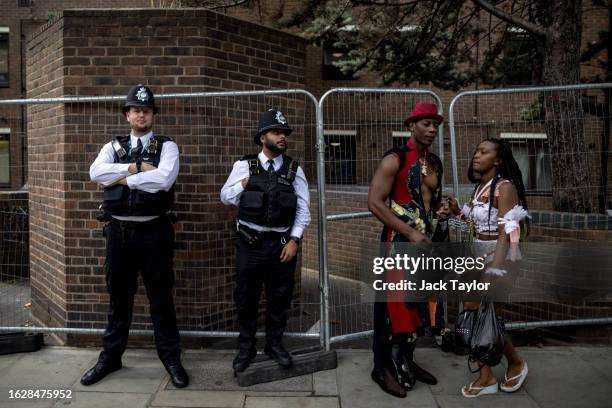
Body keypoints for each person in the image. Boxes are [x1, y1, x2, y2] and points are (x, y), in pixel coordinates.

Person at [82, 85, 188, 388]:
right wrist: (135, 167)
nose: (141, 113)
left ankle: (171, 359)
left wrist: (120, 178)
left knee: (161, 299)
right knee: (119, 298)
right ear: (127, 115)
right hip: (119, 233)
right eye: (135, 109)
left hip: (154, 232)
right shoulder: (112, 147)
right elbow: (95, 174)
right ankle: (110, 358)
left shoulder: (167, 147)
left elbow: (164, 180)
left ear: (153, 114)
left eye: (146, 109)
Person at [367, 102, 450, 398]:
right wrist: (409, 231)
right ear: (411, 126)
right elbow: (374, 202)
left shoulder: (436, 162)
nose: (431, 129)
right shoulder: (395, 159)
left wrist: (442, 210)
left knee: (414, 306)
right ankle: (382, 367)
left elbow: (429, 203)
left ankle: (407, 361)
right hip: (398, 243)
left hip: (425, 245)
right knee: (391, 307)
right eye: (426, 124)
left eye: (435, 125)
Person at [220, 109, 311, 373]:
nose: (282, 137)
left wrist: (294, 240)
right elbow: (225, 196)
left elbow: (304, 209)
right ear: (263, 137)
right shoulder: (244, 166)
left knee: (279, 297)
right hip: (250, 244)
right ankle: (246, 348)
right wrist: (244, 184)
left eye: (284, 133)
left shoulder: (294, 169)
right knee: (246, 298)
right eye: (277, 132)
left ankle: (274, 344)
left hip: (281, 244)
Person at [448, 138, 529, 397]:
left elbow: (507, 232)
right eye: (476, 150)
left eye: (484, 152)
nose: (476, 155)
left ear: (498, 159)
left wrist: (495, 268)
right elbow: (476, 226)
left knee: (490, 317)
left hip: (499, 258)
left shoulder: (503, 188)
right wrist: (456, 214)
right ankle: (486, 377)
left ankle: (516, 363)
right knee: (473, 313)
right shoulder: (480, 188)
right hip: (477, 256)